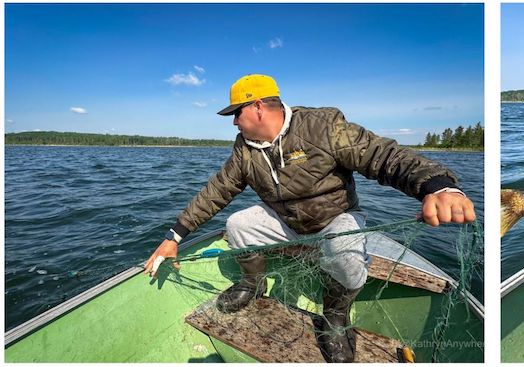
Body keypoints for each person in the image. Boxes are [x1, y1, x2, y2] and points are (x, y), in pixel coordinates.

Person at [142, 74, 476, 363]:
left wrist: (439, 187)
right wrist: (174, 237)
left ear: (258, 107)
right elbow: (216, 191)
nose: (233, 122)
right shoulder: (244, 148)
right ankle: (252, 284)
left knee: (343, 250)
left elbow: (384, 156)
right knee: (237, 225)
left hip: (337, 218)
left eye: (236, 113)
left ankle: (334, 317)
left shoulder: (322, 126)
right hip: (287, 221)